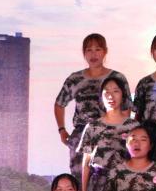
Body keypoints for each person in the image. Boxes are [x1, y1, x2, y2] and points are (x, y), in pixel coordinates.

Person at [55, 33, 130, 177]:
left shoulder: (117, 78)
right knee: (80, 180)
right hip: (81, 136)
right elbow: (59, 104)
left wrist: (120, 133)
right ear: (84, 53)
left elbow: (126, 109)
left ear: (105, 52)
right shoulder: (75, 79)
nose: (93, 54)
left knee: (110, 181)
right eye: (89, 50)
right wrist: (62, 129)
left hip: (110, 136)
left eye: (98, 49)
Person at [77, 73, 140, 191]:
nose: (111, 96)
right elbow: (86, 164)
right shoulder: (93, 127)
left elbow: (139, 161)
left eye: (116, 91)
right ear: (101, 97)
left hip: (125, 186)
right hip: (98, 186)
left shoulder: (133, 126)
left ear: (123, 95)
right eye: (107, 92)